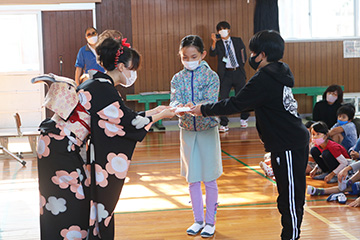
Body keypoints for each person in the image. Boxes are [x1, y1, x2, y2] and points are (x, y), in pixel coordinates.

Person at [34, 32, 175, 239]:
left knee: (64, 200)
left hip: (54, 142)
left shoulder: (99, 84)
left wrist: (156, 112)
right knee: (73, 202)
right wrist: (162, 114)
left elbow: (123, 118)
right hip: (60, 147)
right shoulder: (104, 89)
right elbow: (128, 123)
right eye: (133, 68)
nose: (134, 73)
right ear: (121, 67)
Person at [190, 30, 309, 240]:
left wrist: (203, 109)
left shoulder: (265, 78)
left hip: (288, 143)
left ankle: (291, 236)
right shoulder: (280, 70)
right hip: (289, 141)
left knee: (290, 196)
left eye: (253, 52)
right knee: (291, 193)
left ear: (262, 54)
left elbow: (236, 103)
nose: (251, 57)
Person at [170, 35, 222, 238]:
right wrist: (178, 109)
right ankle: (198, 220)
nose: (189, 60)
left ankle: (210, 222)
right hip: (187, 131)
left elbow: (210, 102)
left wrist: (196, 108)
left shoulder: (212, 77)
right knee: (192, 179)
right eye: (184, 56)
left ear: (202, 54)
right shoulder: (177, 78)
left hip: (207, 129)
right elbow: (175, 100)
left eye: (193, 56)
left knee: (209, 178)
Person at [209, 21, 249, 132]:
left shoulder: (237, 40)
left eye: (224, 29)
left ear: (229, 30)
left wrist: (241, 64)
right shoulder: (218, 43)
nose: (223, 31)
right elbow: (212, 53)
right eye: (220, 30)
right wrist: (213, 42)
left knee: (242, 96)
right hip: (225, 74)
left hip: (238, 72)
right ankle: (224, 123)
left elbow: (243, 54)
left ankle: (244, 119)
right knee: (223, 98)